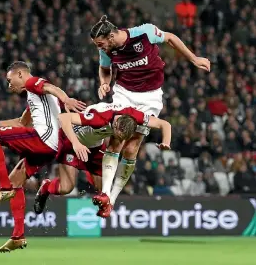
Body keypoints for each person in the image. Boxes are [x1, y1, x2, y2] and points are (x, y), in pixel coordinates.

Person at [89, 15, 210, 210]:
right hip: (124, 93)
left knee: (132, 147)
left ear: (111, 36)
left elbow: (170, 38)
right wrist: (104, 83)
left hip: (150, 97)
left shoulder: (144, 33)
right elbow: (104, 69)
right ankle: (104, 193)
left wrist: (194, 58)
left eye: (101, 44)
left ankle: (112, 198)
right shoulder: (107, 51)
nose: (100, 48)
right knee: (117, 139)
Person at [0, 61, 86, 252]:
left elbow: (52, 87)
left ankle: (3, 187)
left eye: (9, 79)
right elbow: (21, 122)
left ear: (20, 74)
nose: (9, 85)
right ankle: (18, 236)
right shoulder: (34, 98)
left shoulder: (32, 83)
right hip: (50, 148)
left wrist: (67, 99)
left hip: (43, 140)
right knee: (16, 180)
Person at [34, 102, 171, 217]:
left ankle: (89, 173)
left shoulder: (134, 116)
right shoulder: (99, 118)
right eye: (119, 135)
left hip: (94, 146)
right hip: (72, 142)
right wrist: (76, 143)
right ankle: (46, 187)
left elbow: (165, 124)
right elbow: (63, 118)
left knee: (104, 190)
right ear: (116, 125)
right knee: (66, 188)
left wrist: (166, 141)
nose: (120, 140)